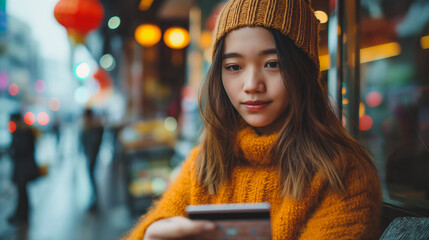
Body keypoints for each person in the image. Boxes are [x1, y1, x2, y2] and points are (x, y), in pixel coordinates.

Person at [122, 0, 382, 239]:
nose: (251, 85)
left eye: (273, 64)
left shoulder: (343, 173)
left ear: (303, 70)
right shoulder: (204, 163)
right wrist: (150, 235)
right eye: (234, 67)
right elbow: (152, 229)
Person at [8, 112, 40, 225]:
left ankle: (22, 215)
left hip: (23, 167)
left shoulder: (24, 133)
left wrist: (13, 152)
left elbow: (22, 149)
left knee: (22, 192)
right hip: (22, 167)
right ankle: (21, 214)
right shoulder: (22, 132)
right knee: (22, 192)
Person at [80, 108, 104, 211]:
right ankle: (94, 199)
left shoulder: (93, 128)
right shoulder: (90, 128)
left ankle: (95, 200)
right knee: (91, 178)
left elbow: (92, 143)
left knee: (92, 178)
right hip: (90, 156)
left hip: (92, 156)